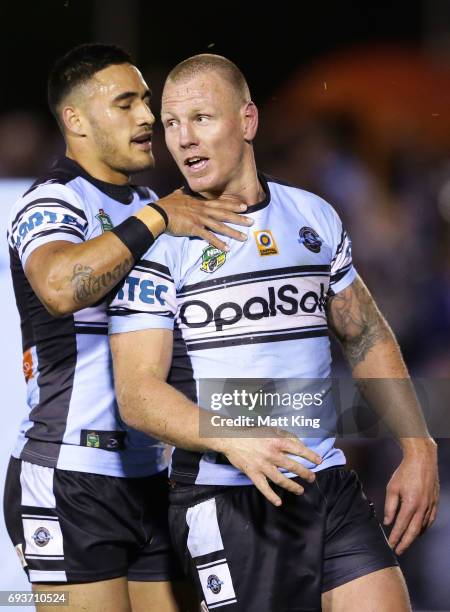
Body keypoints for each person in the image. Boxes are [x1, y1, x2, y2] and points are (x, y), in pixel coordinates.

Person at [109, 55, 439, 612]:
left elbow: (364, 337)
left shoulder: (312, 216)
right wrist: (232, 438)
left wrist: (417, 445)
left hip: (327, 485)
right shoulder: (156, 245)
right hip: (227, 496)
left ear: (248, 121)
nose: (183, 138)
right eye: (170, 124)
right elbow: (137, 394)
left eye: (201, 118)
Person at [3, 43, 264, 612]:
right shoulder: (53, 201)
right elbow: (56, 287)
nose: (148, 118)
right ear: (76, 120)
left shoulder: (154, 201)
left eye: (146, 102)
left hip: (155, 476)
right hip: (71, 474)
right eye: (126, 104)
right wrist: (155, 219)